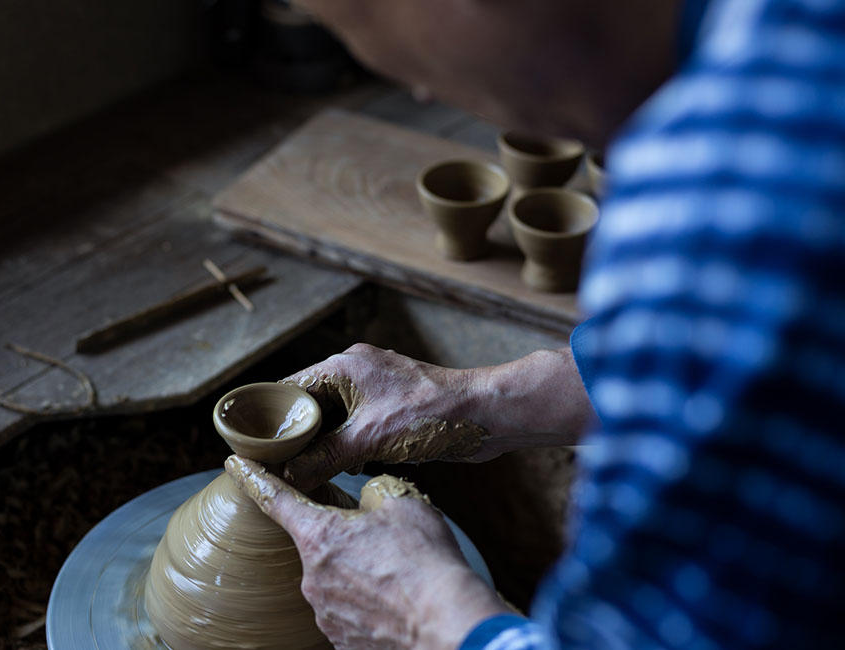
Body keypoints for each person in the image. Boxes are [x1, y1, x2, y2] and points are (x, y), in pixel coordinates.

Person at [225, 0, 845, 647]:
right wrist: (481, 399)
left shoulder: (722, 197)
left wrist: (428, 620)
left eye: (364, 29)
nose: (419, 88)